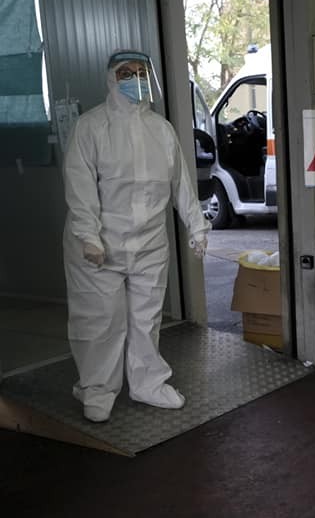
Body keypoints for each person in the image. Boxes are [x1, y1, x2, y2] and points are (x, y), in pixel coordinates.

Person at [62, 50, 210, 423]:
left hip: (150, 243)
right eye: (125, 72)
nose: (134, 79)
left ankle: (147, 384)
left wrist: (196, 226)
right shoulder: (91, 127)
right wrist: (88, 235)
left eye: (141, 72)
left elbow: (180, 183)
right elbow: (80, 185)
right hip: (101, 243)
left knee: (147, 318)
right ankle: (97, 389)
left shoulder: (161, 129)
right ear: (111, 78)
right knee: (101, 320)